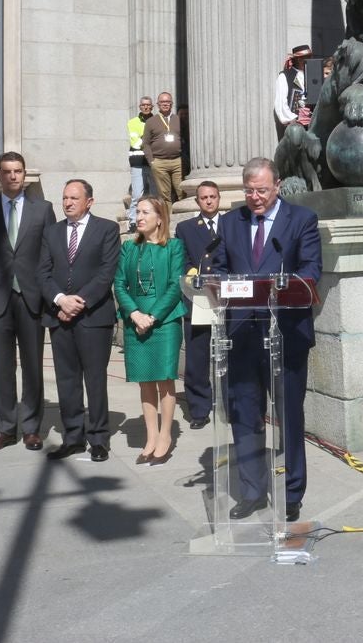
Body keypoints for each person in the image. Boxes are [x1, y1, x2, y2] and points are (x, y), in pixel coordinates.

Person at [207, 158, 322, 521]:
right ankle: (252, 491)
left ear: (278, 186)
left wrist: (283, 284)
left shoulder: (301, 220)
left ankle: (290, 494)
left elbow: (311, 271)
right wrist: (217, 282)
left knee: (288, 416)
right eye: (249, 190)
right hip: (241, 334)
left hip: (285, 334)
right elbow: (221, 269)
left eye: (261, 190)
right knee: (244, 416)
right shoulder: (230, 222)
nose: (254, 197)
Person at [0, 153, 55, 452]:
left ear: (25, 174)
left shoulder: (43, 210)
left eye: (18, 171)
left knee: (32, 367)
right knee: (2, 367)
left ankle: (31, 428)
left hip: (31, 298)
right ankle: (4, 428)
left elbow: (49, 257)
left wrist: (49, 295)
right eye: (7, 172)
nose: (13, 177)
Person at [38, 179, 121, 462]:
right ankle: (73, 437)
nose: (68, 203)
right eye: (65, 198)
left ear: (89, 201)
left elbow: (106, 272)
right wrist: (60, 300)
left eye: (74, 198)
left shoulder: (107, 229)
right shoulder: (52, 232)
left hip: (94, 317)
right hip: (59, 317)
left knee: (95, 379)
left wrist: (78, 302)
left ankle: (98, 438)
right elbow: (43, 273)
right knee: (67, 380)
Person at [114, 195, 187, 465]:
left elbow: (174, 285)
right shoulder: (129, 248)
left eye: (145, 212)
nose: (139, 217)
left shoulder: (174, 247)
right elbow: (119, 284)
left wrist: (153, 316)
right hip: (136, 320)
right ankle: (151, 436)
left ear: (160, 218)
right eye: (138, 212)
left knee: (165, 380)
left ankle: (166, 436)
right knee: (145, 381)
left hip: (165, 321)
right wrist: (134, 313)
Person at [173, 181, 223, 429]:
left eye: (213, 196)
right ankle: (199, 409)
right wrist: (192, 273)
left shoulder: (232, 224)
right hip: (199, 296)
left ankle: (231, 405)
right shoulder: (185, 228)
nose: (209, 201)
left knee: (231, 351)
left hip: (227, 295)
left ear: (219, 198)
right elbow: (180, 260)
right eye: (204, 197)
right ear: (197, 201)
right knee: (197, 356)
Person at [142, 91, 184, 203]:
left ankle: (184, 218)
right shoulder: (151, 121)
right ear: (157, 104)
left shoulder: (178, 119)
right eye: (162, 102)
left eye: (168, 102)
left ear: (172, 104)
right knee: (164, 195)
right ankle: (168, 219)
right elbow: (145, 143)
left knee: (182, 191)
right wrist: (151, 161)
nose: (165, 104)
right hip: (159, 162)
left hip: (177, 161)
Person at [274, 44, 312, 138]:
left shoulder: (314, 75)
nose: (309, 60)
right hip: (294, 128)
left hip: (312, 126)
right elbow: (280, 103)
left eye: (309, 57)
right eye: (305, 58)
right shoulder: (284, 76)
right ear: (298, 59)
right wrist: (295, 119)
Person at [126, 96, 153, 222]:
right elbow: (135, 143)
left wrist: (144, 138)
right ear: (140, 107)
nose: (146, 107)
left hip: (153, 162)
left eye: (148, 105)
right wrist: (151, 140)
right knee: (137, 195)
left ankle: (153, 218)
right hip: (137, 162)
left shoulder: (157, 121)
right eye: (143, 105)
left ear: (152, 106)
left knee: (154, 194)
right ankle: (132, 221)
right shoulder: (132, 122)